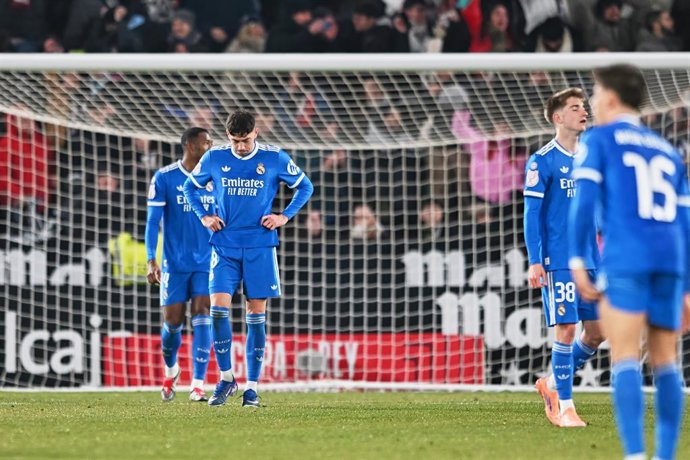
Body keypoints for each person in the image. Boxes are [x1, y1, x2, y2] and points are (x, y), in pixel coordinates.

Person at [569, 64, 690, 459]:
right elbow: (684, 220)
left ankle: (636, 455)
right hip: (670, 261)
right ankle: (667, 456)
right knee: (666, 361)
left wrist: (575, 258)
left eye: (595, 92)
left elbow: (584, 203)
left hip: (627, 257)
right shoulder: (668, 150)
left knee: (624, 356)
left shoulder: (599, 139)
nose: (592, 100)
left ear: (611, 98)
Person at [183, 110, 314, 408]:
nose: (240, 146)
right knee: (217, 310)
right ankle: (227, 378)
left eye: (245, 140)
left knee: (255, 316)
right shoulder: (214, 158)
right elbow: (190, 187)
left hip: (260, 248)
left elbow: (306, 186)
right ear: (228, 136)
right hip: (224, 247)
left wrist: (284, 216)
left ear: (256, 133)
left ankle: (252, 389)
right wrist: (204, 216)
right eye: (235, 140)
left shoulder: (275, 158)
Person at [523, 88, 605, 427]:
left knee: (597, 333)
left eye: (584, 106)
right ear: (559, 117)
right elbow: (531, 214)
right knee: (567, 328)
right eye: (575, 107)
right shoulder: (541, 160)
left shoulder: (590, 157)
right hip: (559, 260)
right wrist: (534, 259)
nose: (583, 111)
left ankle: (552, 383)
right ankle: (565, 408)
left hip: (592, 260)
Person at [145, 127, 215, 402]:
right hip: (174, 264)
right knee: (172, 324)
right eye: (205, 141)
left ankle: (197, 383)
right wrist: (151, 260)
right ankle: (171, 369)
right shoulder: (165, 177)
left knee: (202, 314)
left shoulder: (215, 177)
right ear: (188, 144)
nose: (210, 145)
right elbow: (152, 223)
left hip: (207, 261)